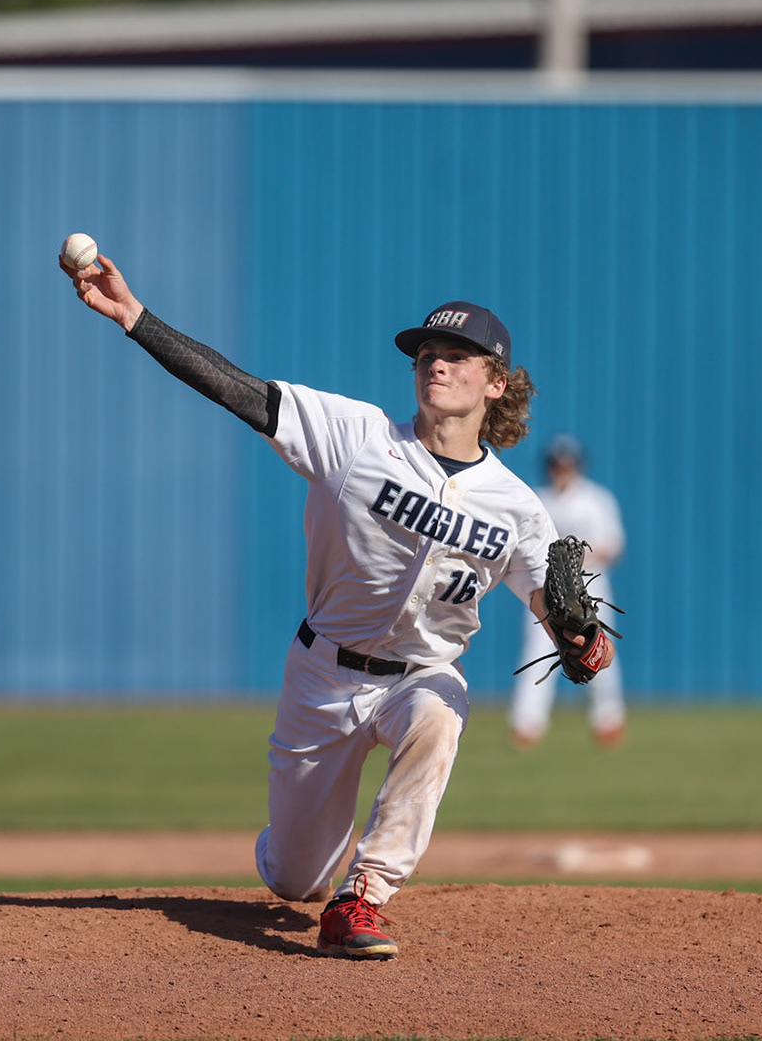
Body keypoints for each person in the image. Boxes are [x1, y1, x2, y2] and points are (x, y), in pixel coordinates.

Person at [63, 248, 597, 959]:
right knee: (295, 877)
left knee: (440, 715)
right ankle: (315, 868)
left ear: (496, 383)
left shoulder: (520, 511)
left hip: (419, 676)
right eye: (426, 353)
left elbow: (571, 633)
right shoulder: (355, 436)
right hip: (323, 676)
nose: (435, 364)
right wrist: (135, 317)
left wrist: (583, 641)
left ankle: (364, 897)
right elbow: (240, 392)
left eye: (457, 356)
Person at [508, 433, 628, 749]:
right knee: (537, 650)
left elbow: (613, 546)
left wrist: (576, 557)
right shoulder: (538, 499)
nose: (561, 469)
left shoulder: (596, 499)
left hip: (590, 586)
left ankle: (608, 720)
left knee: (597, 649)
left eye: (567, 464)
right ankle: (527, 724)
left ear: (577, 465)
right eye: (556, 464)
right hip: (547, 588)